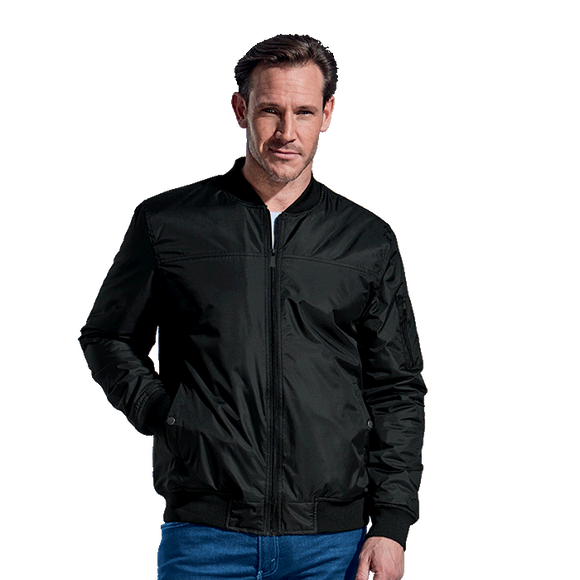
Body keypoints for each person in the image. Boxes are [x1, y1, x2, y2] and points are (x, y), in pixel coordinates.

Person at [76, 31, 427, 580]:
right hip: (204, 538)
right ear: (240, 110)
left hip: (332, 544)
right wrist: (166, 415)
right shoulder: (168, 222)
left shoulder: (367, 240)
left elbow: (397, 388)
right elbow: (105, 336)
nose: (287, 132)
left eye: (304, 112)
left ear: (329, 114)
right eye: (270, 110)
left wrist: (392, 524)